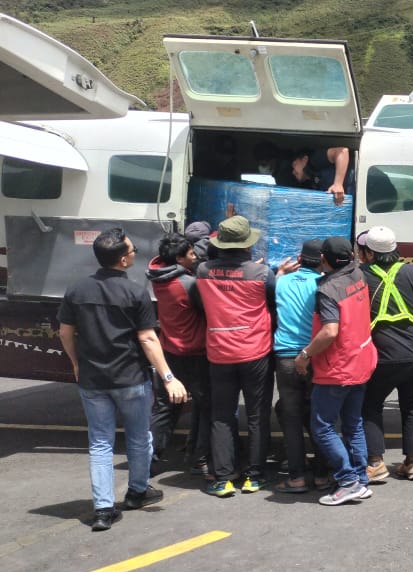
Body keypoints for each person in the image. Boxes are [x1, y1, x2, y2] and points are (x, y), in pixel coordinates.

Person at [58, 227, 186, 531]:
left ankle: (103, 509)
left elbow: (65, 332)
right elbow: (148, 339)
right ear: (123, 259)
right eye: (132, 251)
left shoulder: (77, 290)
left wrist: (77, 364)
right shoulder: (135, 292)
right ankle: (137, 492)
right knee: (140, 437)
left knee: (100, 442)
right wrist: (169, 377)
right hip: (131, 379)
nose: (134, 255)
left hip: (92, 379)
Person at [190, 215, 278, 498]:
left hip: (219, 352)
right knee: (256, 414)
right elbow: (273, 302)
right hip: (256, 351)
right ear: (247, 246)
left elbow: (197, 302)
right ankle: (255, 475)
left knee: (222, 415)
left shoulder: (203, 271)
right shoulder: (262, 274)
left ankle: (223, 477)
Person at [360, 226, 413, 483]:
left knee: (370, 405)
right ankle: (411, 463)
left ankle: (375, 463)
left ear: (369, 253)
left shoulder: (361, 275)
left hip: (382, 356)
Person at [297, 237, 377, 506]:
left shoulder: (328, 289)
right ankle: (361, 480)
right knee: (353, 423)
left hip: (337, 368)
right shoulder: (358, 274)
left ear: (324, 259)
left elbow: (330, 331)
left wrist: (305, 354)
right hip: (361, 360)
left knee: (321, 426)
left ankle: (348, 481)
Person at [145, 232, 211, 479]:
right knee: (207, 406)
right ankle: (199, 458)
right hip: (194, 352)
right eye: (191, 254)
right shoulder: (188, 285)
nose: (195, 257)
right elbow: (208, 308)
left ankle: (148, 457)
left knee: (166, 407)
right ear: (180, 258)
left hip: (169, 349)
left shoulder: (158, 275)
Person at [272, 238, 325, 493]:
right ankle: (323, 475)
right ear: (323, 262)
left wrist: (280, 272)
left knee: (291, 418)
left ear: (300, 260)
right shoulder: (324, 285)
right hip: (314, 355)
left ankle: (297, 477)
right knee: (319, 415)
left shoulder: (280, 282)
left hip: (285, 358)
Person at [288, 146, 354, 206]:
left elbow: (342, 152)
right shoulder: (311, 182)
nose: (293, 172)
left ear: (304, 159)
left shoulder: (315, 160)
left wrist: (338, 184)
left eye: (294, 165)